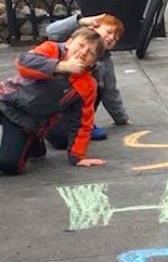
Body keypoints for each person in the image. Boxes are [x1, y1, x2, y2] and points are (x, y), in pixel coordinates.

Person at [0, 27, 106, 175]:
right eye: (81, 45)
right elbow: (23, 62)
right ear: (69, 42)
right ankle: (31, 144)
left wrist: (77, 156)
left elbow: (82, 122)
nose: (83, 53)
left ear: (93, 62)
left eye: (90, 53)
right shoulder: (52, 49)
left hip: (26, 121)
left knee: (9, 166)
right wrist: (60, 66)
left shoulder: (87, 84)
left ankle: (34, 143)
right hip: (6, 97)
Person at [45, 13, 129, 140]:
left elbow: (110, 92)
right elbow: (51, 31)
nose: (111, 38)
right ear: (94, 28)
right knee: (59, 138)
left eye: (116, 38)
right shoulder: (76, 40)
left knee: (99, 85)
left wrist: (121, 118)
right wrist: (81, 20)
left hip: (75, 103)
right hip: (52, 98)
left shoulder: (105, 61)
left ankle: (85, 124)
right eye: (109, 31)